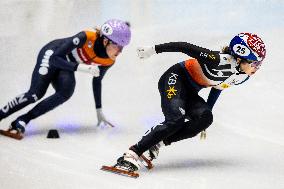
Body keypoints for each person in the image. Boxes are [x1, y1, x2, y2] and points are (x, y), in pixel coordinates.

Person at [112, 33, 266, 172]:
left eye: (259, 64)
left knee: (206, 119)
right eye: (255, 63)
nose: (257, 68)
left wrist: (205, 116)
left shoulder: (242, 76)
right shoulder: (217, 60)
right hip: (174, 78)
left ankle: (157, 143)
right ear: (240, 58)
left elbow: (218, 88)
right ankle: (131, 153)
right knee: (176, 120)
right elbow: (184, 47)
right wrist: (153, 50)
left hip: (190, 91)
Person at [0, 19, 131, 138]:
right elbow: (55, 58)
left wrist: (99, 110)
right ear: (105, 40)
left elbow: (97, 80)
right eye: (118, 46)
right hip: (52, 53)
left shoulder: (109, 60)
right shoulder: (86, 37)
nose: (120, 52)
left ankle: (22, 120)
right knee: (35, 94)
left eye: (122, 48)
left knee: (66, 92)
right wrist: (81, 68)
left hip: (66, 65)